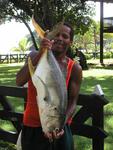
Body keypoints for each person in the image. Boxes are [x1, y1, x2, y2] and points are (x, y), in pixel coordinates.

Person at [16, 22, 82, 150]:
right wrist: (41, 52)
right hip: (32, 127)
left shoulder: (74, 68)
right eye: (56, 34)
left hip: (59, 129)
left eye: (65, 36)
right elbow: (19, 81)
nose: (60, 38)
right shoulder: (34, 56)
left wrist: (60, 124)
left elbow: (73, 102)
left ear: (71, 42)